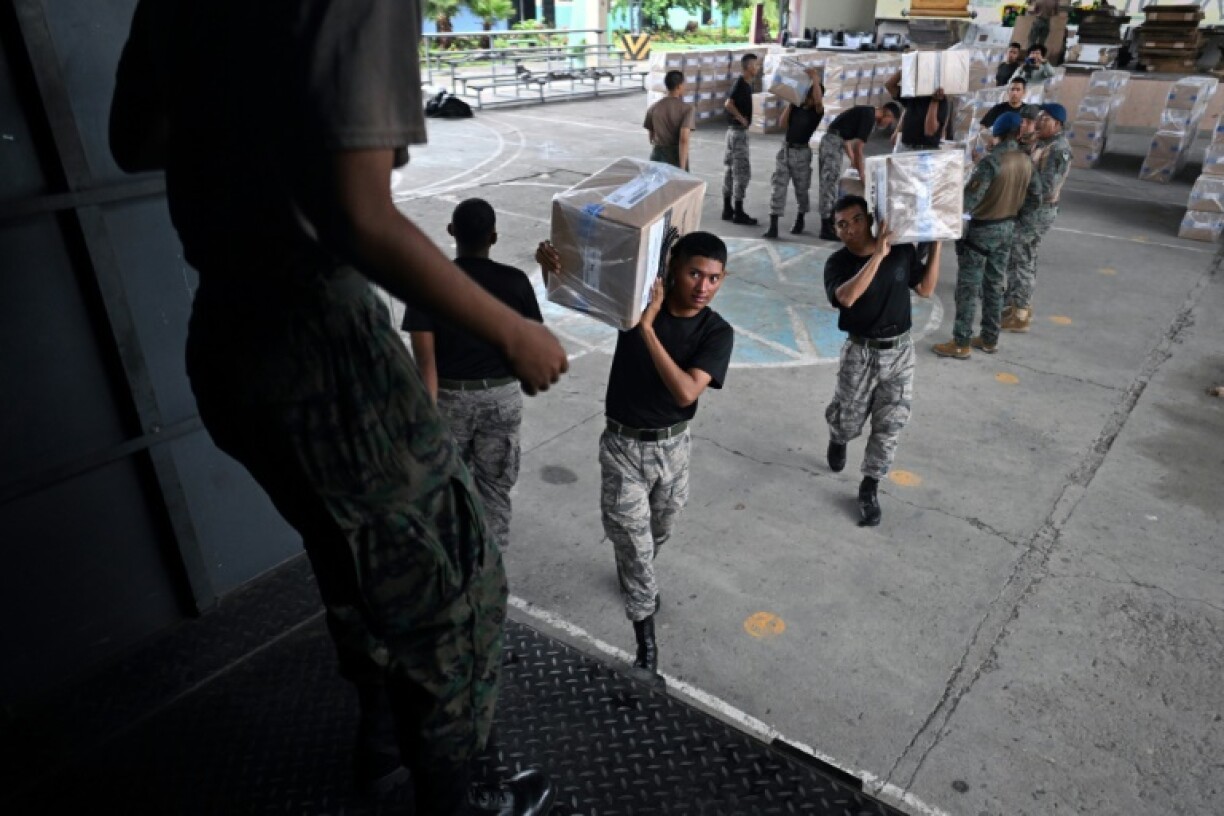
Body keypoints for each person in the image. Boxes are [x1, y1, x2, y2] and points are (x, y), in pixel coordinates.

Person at [109, 1, 566, 814]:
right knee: (454, 592)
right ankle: (463, 798)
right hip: (321, 342)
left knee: (350, 563)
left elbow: (135, 141)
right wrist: (513, 333)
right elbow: (359, 213)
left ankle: (384, 743)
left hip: (227, 338)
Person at [536, 233, 734, 675]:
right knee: (634, 544)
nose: (703, 286)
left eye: (714, 278)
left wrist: (647, 329)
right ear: (671, 268)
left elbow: (685, 391)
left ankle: (636, 572)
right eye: (694, 273)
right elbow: (573, 290)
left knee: (660, 529)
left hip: (674, 448)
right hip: (624, 448)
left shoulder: (716, 332)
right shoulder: (633, 307)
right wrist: (551, 263)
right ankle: (646, 641)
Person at [403, 199, 543, 552]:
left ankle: (454, 561)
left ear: (452, 232)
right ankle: (491, 566)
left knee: (448, 486)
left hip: (450, 400)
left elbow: (426, 365)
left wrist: (426, 421)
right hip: (500, 398)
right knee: (495, 489)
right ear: (494, 237)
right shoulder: (515, 283)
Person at [823, 196, 942, 527]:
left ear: (869, 219)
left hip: (900, 352)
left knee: (890, 425)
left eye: (856, 220)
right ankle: (839, 437)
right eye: (842, 224)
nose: (850, 229)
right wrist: (877, 255)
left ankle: (869, 487)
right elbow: (846, 298)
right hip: (860, 353)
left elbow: (926, 290)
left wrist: (937, 243)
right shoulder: (838, 263)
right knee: (848, 418)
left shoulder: (901, 251)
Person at [933, 113, 1042, 360]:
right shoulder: (1026, 161)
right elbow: (1036, 197)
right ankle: (990, 338)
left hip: (981, 232)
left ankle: (961, 342)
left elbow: (969, 200)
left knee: (968, 289)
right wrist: (1018, 220)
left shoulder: (991, 162)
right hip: (1007, 229)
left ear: (998, 133)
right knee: (994, 286)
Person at [1003, 103, 1072, 333]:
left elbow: (1047, 187)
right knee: (1021, 255)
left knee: (1022, 257)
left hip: (1038, 211)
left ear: (1058, 124)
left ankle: (1020, 313)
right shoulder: (1044, 143)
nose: (1040, 121)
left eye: (1046, 118)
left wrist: (1023, 183)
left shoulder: (1058, 149)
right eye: (1040, 117)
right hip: (1030, 209)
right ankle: (1015, 304)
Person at [816, 102, 901, 240]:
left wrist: (854, 162)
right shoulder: (869, 117)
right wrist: (862, 174)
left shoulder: (866, 112)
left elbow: (847, 140)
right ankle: (825, 228)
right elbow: (858, 147)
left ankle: (829, 223)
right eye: (889, 122)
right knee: (829, 184)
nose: (887, 125)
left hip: (834, 141)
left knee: (830, 183)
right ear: (887, 113)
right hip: (832, 143)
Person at [764, 80, 825, 239]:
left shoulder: (817, 112)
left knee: (801, 189)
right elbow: (782, 123)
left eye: (813, 96)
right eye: (808, 95)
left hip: (802, 153)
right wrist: (791, 104)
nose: (810, 99)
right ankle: (773, 225)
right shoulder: (796, 107)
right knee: (778, 187)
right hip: (785, 150)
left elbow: (818, 101)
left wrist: (814, 78)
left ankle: (800, 218)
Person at [723, 53, 760, 225]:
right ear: (750, 67)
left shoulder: (745, 84)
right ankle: (738, 211)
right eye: (756, 65)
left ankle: (727, 208)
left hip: (733, 132)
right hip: (738, 134)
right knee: (741, 172)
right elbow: (728, 104)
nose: (758, 69)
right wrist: (741, 118)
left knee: (730, 170)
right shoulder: (741, 84)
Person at [885, 70, 949, 152]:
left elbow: (929, 131)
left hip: (925, 150)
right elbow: (890, 86)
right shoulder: (914, 95)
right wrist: (906, 67)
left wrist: (934, 101)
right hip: (905, 146)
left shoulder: (941, 100)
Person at [644, 70, 695, 170]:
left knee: (656, 184)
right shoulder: (687, 109)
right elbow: (683, 140)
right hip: (675, 156)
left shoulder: (653, 107)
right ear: (679, 86)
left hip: (657, 155)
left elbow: (651, 137)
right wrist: (683, 167)